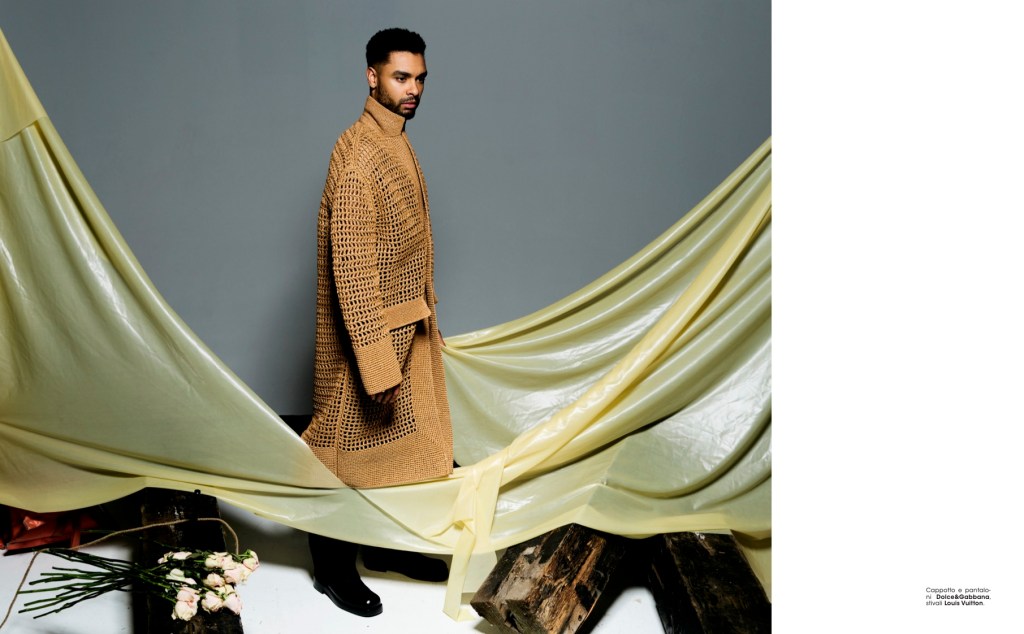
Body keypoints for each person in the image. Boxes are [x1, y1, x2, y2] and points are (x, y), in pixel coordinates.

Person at [300, 27, 452, 618]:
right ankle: (330, 565)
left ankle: (384, 544)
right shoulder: (359, 154)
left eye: (419, 79)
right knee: (339, 445)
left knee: (400, 444)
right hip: (368, 336)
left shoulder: (395, 140)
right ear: (372, 76)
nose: (413, 89)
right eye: (400, 77)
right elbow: (353, 266)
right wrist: (376, 361)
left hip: (406, 325)